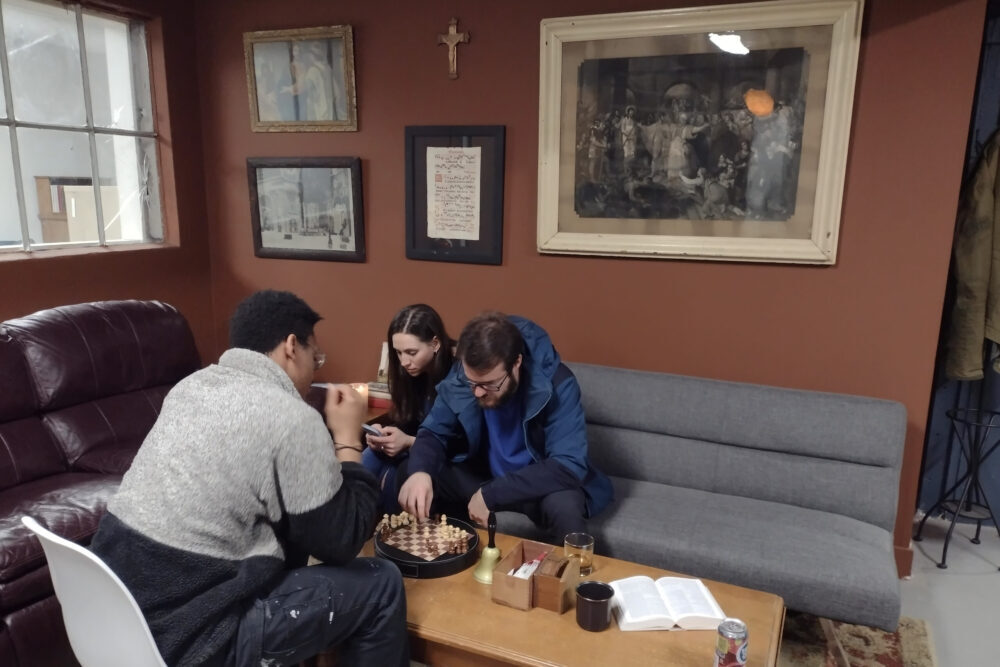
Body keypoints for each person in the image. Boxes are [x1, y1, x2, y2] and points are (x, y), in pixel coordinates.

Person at [90, 290, 408, 667]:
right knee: (381, 582)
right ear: (292, 347)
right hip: (193, 639)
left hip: (113, 618)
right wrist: (347, 438)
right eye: (315, 357)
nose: (314, 370)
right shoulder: (292, 418)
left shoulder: (189, 388)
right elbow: (342, 543)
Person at [397, 312, 613, 543]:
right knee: (412, 470)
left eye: (490, 384)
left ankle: (575, 578)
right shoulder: (463, 374)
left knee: (566, 509)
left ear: (516, 363)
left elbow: (569, 465)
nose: (478, 392)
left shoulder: (559, 383)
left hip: (537, 487)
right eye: (473, 383)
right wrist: (420, 471)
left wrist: (491, 494)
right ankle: (442, 557)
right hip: (484, 476)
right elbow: (434, 432)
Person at [363, 304, 456, 513]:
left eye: (412, 352)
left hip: (444, 459)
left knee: (397, 474)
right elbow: (408, 422)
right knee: (368, 457)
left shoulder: (457, 378)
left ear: (435, 343)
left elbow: (460, 446)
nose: (404, 361)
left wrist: (408, 442)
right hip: (412, 448)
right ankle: (350, 531)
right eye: (398, 352)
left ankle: (388, 535)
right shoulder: (411, 375)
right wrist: (383, 435)